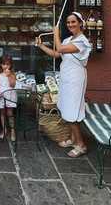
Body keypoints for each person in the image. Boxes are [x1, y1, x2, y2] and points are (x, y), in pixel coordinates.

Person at [36, 12, 92, 157]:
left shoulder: (82, 41)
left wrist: (56, 33)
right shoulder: (68, 39)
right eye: (68, 22)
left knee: (73, 111)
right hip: (66, 78)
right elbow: (57, 54)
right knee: (66, 108)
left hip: (76, 79)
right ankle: (73, 139)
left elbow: (60, 48)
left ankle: (81, 145)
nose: (70, 25)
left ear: (80, 23)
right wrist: (41, 46)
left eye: (73, 22)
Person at [0, 55, 17, 142]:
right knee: (2, 112)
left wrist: (9, 76)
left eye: (8, 64)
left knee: (10, 113)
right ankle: (4, 129)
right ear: (1, 65)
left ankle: (12, 130)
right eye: (4, 64)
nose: (6, 66)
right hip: (1, 95)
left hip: (10, 94)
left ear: (11, 65)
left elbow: (12, 85)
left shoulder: (12, 74)